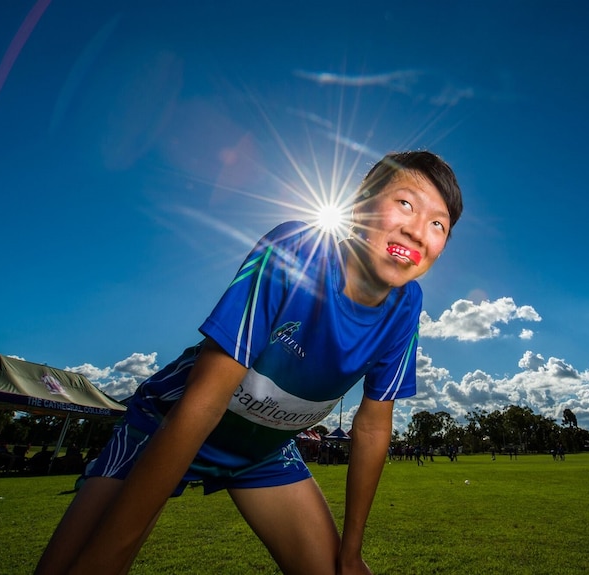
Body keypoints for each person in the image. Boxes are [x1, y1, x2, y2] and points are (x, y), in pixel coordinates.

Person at [34, 150, 463, 575]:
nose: (417, 230)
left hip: (264, 451)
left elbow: (371, 427)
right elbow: (203, 402)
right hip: (169, 424)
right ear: (358, 208)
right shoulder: (296, 250)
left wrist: (351, 553)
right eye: (404, 203)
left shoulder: (408, 305)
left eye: (438, 223)